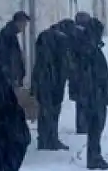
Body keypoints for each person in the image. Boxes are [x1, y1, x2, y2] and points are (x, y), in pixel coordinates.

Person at [73, 16, 108, 170]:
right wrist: (95, 93)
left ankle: (95, 156)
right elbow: (90, 75)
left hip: (95, 94)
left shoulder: (90, 48)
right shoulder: (88, 50)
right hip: (94, 95)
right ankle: (94, 158)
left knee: (97, 127)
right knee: (95, 127)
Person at [30, 19, 76, 151]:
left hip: (43, 79)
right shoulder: (60, 39)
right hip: (53, 81)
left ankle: (45, 139)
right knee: (52, 111)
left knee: (45, 110)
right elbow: (63, 62)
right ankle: (50, 139)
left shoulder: (45, 35)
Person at [0, 11, 30, 86]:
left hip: (10, 76)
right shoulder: (8, 34)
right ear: (19, 22)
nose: (25, 26)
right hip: (10, 77)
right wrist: (14, 76)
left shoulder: (10, 33)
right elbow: (9, 57)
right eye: (25, 23)